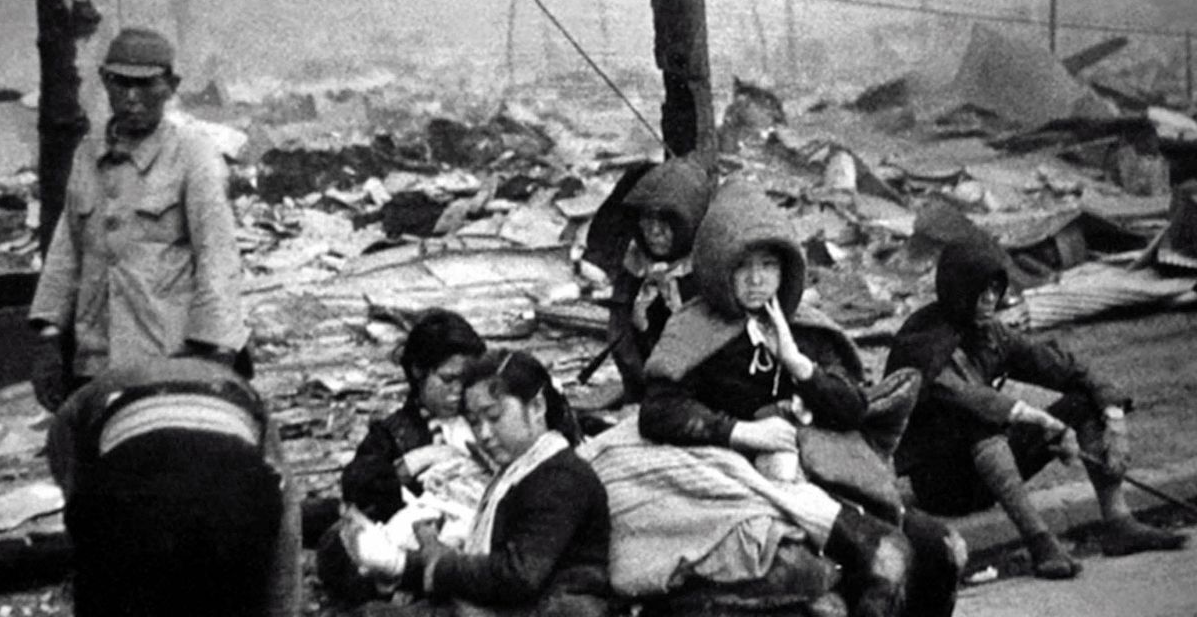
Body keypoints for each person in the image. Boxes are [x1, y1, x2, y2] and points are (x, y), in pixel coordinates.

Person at [640, 180, 964, 617]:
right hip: (748, 484)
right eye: (743, 266)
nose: (757, 280)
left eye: (769, 265)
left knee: (944, 549)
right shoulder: (693, 329)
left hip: (828, 475)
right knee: (885, 563)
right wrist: (742, 432)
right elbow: (658, 411)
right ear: (719, 268)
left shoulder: (805, 328)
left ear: (786, 269)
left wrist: (797, 363)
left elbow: (853, 408)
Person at [885, 238, 1188, 579]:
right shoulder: (924, 339)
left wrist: (1113, 414)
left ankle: (1119, 523)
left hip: (989, 470)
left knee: (1082, 401)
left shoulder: (993, 334)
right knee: (983, 424)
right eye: (979, 291)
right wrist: (1044, 422)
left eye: (995, 290)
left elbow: (1065, 368)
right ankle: (1041, 543)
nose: (989, 300)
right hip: (942, 483)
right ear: (957, 290)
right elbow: (967, 398)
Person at [30, 27, 247, 406]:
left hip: (170, 359)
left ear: (171, 86)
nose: (132, 98)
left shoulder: (193, 155)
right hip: (95, 362)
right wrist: (48, 337)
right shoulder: (88, 153)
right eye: (121, 83)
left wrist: (214, 351)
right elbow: (66, 251)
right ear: (104, 81)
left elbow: (218, 254)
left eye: (146, 85)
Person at [342, 350, 612, 617]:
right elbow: (488, 566)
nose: (484, 433)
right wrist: (393, 562)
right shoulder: (517, 472)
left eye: (494, 417)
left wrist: (401, 563)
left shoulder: (561, 478)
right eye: (474, 422)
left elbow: (519, 576)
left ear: (537, 407)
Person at [46, 356, 301, 617]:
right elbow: (287, 511)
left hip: (131, 485)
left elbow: (77, 503)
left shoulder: (78, 407)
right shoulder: (246, 397)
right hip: (230, 485)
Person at [319, 308, 491, 605]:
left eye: (465, 380)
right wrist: (417, 460)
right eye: (448, 380)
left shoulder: (485, 417)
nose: (457, 391)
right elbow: (360, 483)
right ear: (417, 371)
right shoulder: (395, 432)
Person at [606, 156, 711, 402]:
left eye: (666, 221)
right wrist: (639, 324)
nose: (654, 231)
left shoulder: (709, 269)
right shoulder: (635, 266)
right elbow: (619, 338)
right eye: (647, 219)